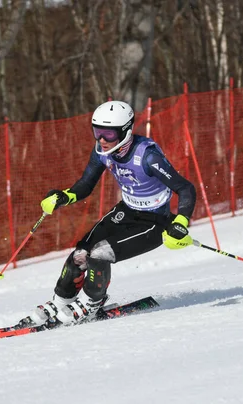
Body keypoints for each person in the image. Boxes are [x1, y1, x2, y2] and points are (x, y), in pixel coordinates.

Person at [29, 100, 196, 326]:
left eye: (108, 134)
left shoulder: (147, 156)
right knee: (82, 252)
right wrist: (64, 196)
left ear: (126, 131)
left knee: (100, 254)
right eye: (97, 132)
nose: (101, 140)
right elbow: (85, 185)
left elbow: (185, 188)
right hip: (126, 210)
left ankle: (90, 304)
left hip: (155, 222)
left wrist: (181, 222)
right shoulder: (102, 152)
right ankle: (59, 303)